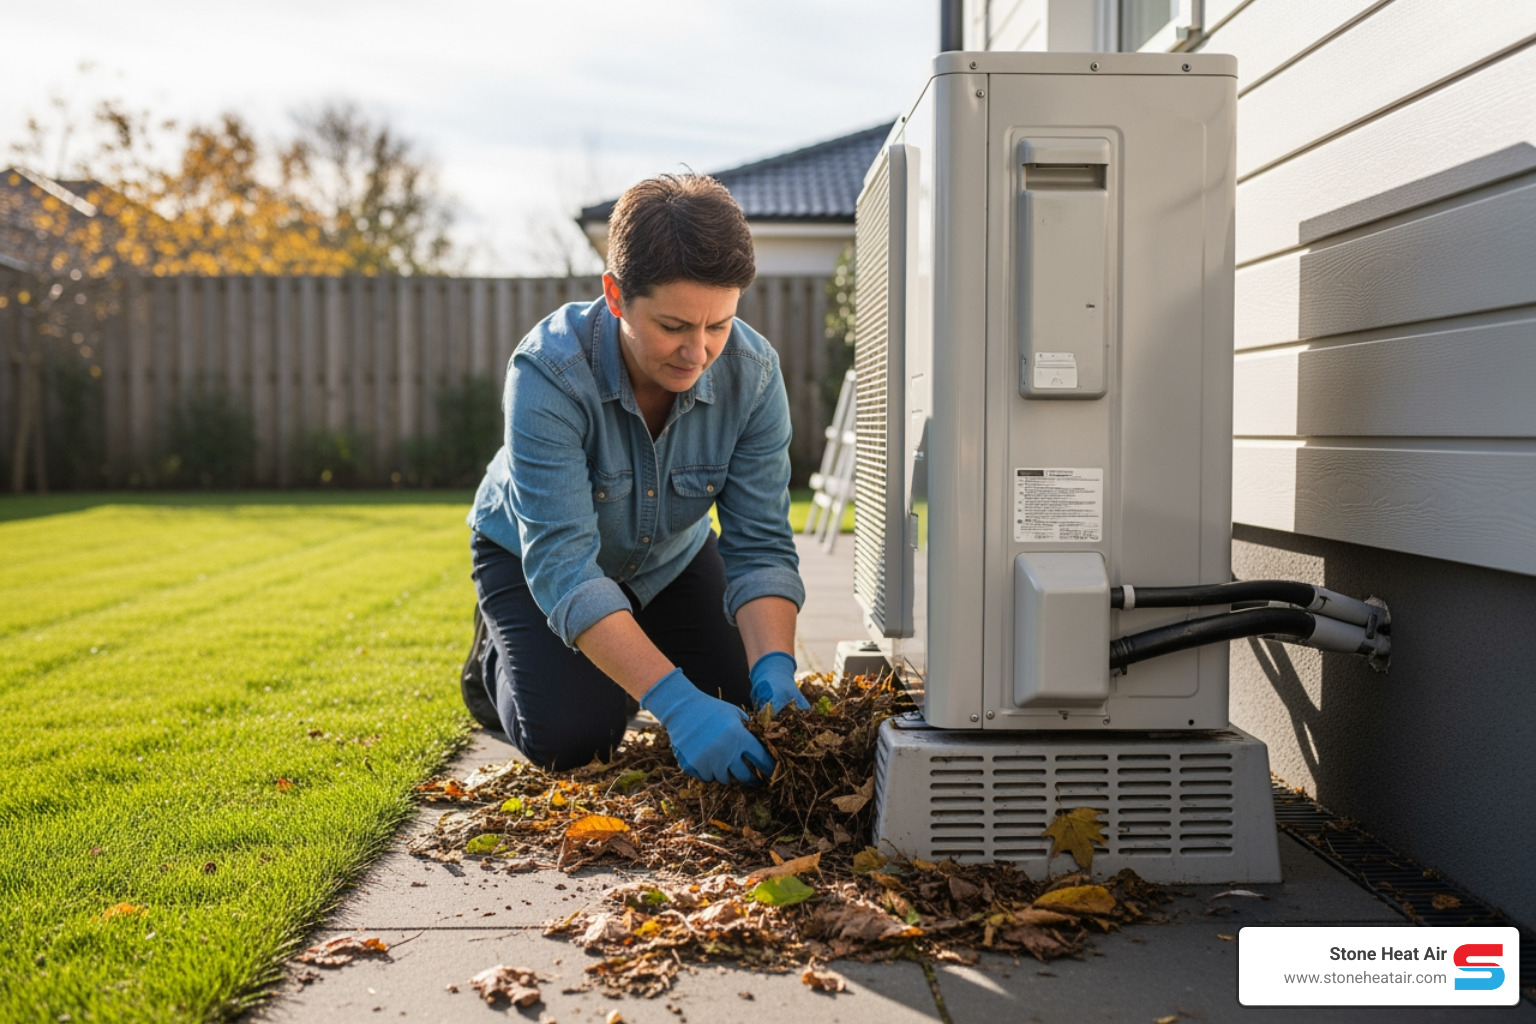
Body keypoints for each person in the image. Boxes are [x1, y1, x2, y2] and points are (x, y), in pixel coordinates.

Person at [462, 174, 808, 785]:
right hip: (532, 558)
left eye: (719, 325)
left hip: (669, 556)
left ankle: (622, 650)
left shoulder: (753, 376)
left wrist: (776, 666)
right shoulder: (547, 374)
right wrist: (674, 704)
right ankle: (493, 657)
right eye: (674, 326)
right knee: (575, 740)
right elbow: (566, 569)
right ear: (616, 295)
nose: (698, 352)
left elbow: (759, 545)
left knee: (746, 705)